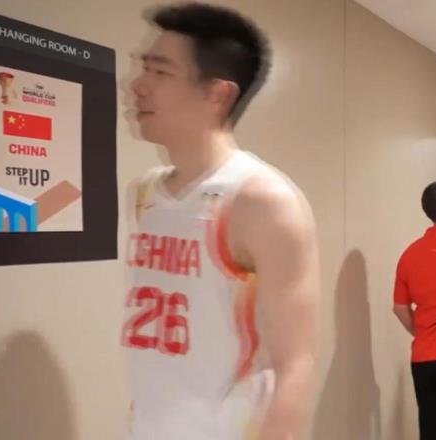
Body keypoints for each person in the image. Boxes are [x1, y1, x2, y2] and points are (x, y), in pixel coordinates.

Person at [121, 3, 320, 439]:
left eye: (160, 72)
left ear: (217, 94)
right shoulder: (143, 193)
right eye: (142, 67)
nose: (136, 85)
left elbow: (295, 363)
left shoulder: (260, 200)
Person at [393, 180, 436, 440]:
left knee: (431, 430)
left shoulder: (410, 254)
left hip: (425, 359)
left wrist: (423, 333)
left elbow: (399, 307)